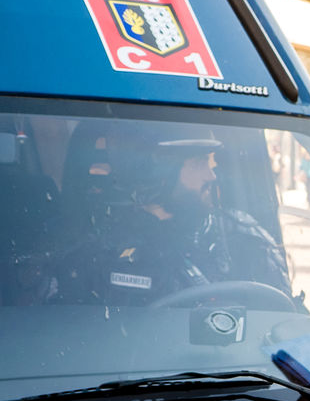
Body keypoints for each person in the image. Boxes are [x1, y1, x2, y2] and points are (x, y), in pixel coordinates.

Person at [53, 129, 291, 306]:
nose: (212, 176)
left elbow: (284, 318)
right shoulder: (104, 252)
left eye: (209, 163)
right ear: (158, 175)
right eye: (199, 164)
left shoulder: (240, 235)